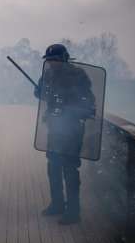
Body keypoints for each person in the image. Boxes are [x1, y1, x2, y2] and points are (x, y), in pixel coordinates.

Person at [34, 44, 95, 225]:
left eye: (55, 60)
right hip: (55, 127)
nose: (52, 63)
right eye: (49, 60)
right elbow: (39, 93)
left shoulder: (78, 75)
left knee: (69, 168)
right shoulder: (48, 74)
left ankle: (73, 211)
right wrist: (41, 91)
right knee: (53, 166)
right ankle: (57, 204)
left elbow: (88, 101)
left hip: (72, 128)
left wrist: (72, 108)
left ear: (64, 59)